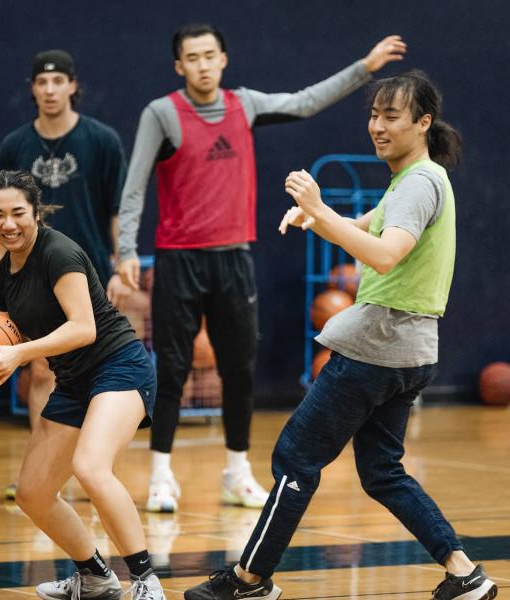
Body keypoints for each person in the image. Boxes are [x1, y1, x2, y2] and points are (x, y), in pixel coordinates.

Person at [184, 71, 498, 600]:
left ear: (423, 123)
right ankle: (463, 571)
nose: (376, 125)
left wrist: (320, 207)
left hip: (376, 349)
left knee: (295, 457)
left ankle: (249, 580)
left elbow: (382, 252)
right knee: (381, 470)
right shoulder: (418, 180)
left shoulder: (418, 182)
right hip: (411, 351)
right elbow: (368, 226)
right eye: (373, 114)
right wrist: (317, 218)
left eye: (390, 115)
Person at [116, 23, 407, 513]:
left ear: (223, 60)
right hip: (179, 259)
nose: (203, 64)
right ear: (179, 66)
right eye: (193, 57)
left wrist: (366, 68)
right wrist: (125, 246)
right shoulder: (162, 113)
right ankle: (161, 476)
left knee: (239, 371)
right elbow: (135, 184)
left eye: (211, 55)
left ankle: (236, 472)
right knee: (172, 371)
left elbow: (305, 101)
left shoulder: (244, 104)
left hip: (233, 257)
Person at [0, 170, 163, 600]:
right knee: (33, 493)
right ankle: (96, 576)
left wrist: (20, 354)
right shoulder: (1, 278)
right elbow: (19, 336)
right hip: (74, 380)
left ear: (37, 213)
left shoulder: (58, 251)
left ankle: (146, 581)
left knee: (92, 467)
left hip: (119, 366)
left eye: (18, 213)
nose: (8, 223)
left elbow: (83, 329)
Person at [0, 49, 130, 500]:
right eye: (42, 83)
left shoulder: (103, 140)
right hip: (31, 277)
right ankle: (44, 470)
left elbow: (117, 211)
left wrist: (120, 261)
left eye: (58, 82)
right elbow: (1, 219)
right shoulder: (15, 145)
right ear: (32, 89)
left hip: (86, 273)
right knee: (43, 370)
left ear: (73, 86)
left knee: (101, 369)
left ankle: (94, 469)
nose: (50, 91)